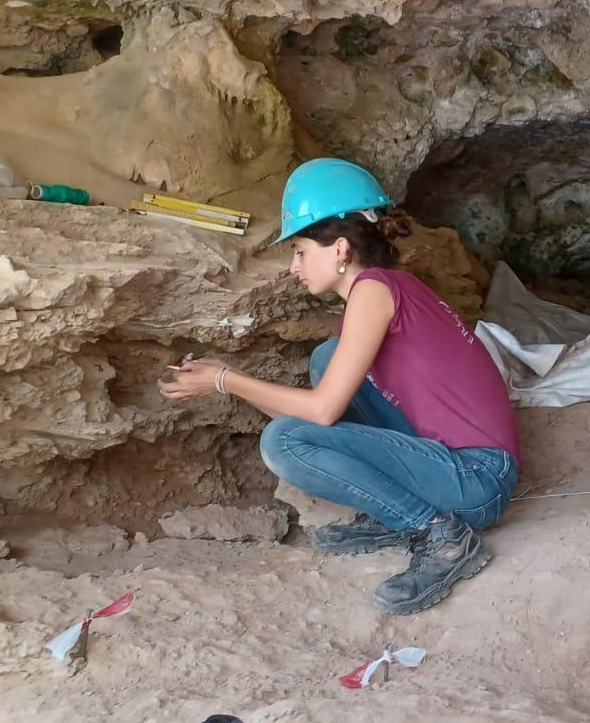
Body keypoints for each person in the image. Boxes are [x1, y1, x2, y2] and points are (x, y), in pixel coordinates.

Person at [160, 159, 520, 614]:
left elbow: (323, 413)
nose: (294, 267)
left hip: (476, 477)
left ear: (340, 249)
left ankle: (438, 533)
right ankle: (400, 511)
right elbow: (319, 419)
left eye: (300, 250)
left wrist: (224, 380)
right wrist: (225, 378)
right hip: (449, 461)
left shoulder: (373, 291)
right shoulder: (387, 288)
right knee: (326, 361)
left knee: (282, 441)